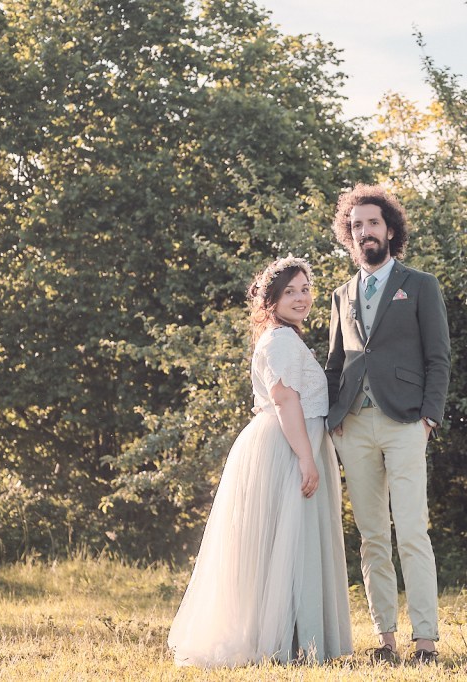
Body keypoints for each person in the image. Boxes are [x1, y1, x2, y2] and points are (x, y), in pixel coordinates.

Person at [168, 256, 352, 667]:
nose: (301, 298)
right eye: (290, 292)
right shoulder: (281, 341)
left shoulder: (284, 337)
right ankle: (288, 642)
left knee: (290, 541)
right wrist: (306, 458)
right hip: (289, 446)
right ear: (271, 301)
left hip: (294, 441)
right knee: (289, 541)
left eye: (305, 289)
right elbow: (284, 400)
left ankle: (295, 638)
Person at [324, 184, 451, 665]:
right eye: (356, 225)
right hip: (354, 426)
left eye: (372, 223)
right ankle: (385, 641)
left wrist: (429, 418)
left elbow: (438, 358)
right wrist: (333, 419)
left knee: (412, 532)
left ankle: (425, 642)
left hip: (406, 423)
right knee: (372, 537)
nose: (364, 232)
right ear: (349, 235)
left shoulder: (420, 285)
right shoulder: (341, 295)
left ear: (390, 229)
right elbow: (335, 364)